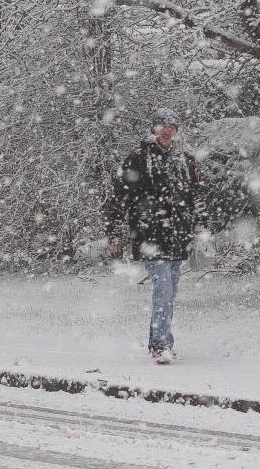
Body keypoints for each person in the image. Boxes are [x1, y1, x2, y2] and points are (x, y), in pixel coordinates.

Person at [103, 108, 200, 365]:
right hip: (149, 234)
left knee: (170, 290)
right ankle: (161, 345)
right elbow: (118, 197)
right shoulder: (137, 159)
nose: (167, 130)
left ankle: (157, 341)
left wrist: (199, 229)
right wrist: (114, 231)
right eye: (162, 125)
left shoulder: (185, 160)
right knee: (163, 287)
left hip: (178, 233)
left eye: (172, 126)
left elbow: (194, 197)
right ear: (153, 129)